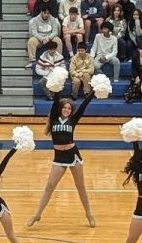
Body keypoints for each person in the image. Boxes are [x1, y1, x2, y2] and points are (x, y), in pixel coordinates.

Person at [30, 92, 96, 228]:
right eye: (65, 108)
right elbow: (55, 101)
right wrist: (56, 88)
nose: (67, 110)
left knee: (81, 187)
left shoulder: (73, 120)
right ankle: (37, 214)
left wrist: (93, 92)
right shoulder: (54, 118)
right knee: (49, 187)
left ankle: (89, 214)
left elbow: (84, 105)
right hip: (59, 157)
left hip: (73, 155)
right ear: (60, 109)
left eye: (69, 108)